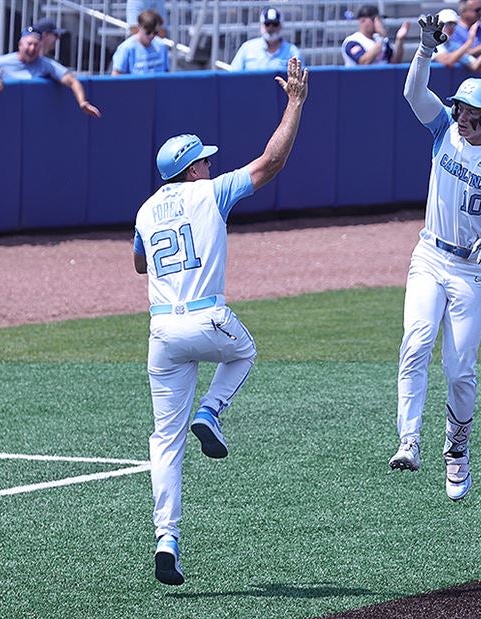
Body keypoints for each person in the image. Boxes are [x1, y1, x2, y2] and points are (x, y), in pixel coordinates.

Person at [134, 57, 309, 585]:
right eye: (204, 161)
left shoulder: (144, 209)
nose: (210, 165)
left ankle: (167, 537)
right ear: (190, 169)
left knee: (164, 442)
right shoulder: (209, 192)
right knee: (245, 352)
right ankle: (212, 410)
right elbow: (270, 163)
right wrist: (295, 102)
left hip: (161, 334)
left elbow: (141, 262)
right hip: (208, 320)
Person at [390, 14, 481, 502]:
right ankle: (408, 440)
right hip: (429, 254)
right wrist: (424, 50)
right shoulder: (443, 131)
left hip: (470, 268)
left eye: (469, 111)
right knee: (415, 340)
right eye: (460, 107)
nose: (460, 115)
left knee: (460, 369)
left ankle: (457, 450)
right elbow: (414, 95)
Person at [0, 28, 101, 118]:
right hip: (4, 114)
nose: (32, 48)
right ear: (20, 44)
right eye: (29, 44)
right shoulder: (0, 62)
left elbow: (72, 81)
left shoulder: (45, 64)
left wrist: (82, 102)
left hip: (35, 116)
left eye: (36, 45)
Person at [230, 7, 301, 71]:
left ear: (281, 26)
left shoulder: (292, 51)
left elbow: (300, 79)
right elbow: (233, 75)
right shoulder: (247, 48)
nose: (271, 28)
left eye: (275, 24)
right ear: (261, 25)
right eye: (267, 24)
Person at [341, 5, 409, 66]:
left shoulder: (380, 39)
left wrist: (400, 40)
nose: (378, 23)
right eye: (374, 20)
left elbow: (395, 62)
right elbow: (363, 62)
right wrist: (381, 38)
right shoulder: (352, 41)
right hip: (360, 78)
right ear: (362, 21)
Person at [112, 9, 169, 75]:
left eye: (155, 32)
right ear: (139, 27)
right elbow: (116, 76)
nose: (151, 36)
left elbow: (166, 73)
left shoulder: (161, 46)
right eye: (148, 32)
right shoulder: (126, 48)